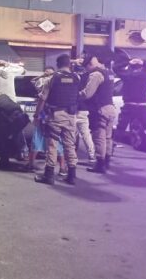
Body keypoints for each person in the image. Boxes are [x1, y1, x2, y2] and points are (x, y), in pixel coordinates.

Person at [33, 54, 79, 185]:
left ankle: (49, 176)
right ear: (69, 64)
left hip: (55, 116)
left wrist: (36, 115)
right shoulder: (76, 78)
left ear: (58, 65)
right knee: (70, 145)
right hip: (71, 116)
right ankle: (71, 176)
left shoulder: (52, 78)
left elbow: (42, 98)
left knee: (52, 145)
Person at [114, 58, 146, 158]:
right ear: (141, 67)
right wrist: (143, 61)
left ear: (130, 67)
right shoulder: (145, 76)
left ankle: (110, 150)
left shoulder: (126, 75)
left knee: (121, 128)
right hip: (142, 107)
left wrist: (127, 61)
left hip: (129, 105)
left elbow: (115, 68)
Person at [80, 54, 117, 174]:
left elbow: (87, 94)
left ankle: (100, 165)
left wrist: (76, 94)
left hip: (99, 109)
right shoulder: (109, 72)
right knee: (108, 137)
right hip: (110, 108)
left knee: (99, 137)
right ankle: (107, 162)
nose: (86, 70)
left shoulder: (96, 74)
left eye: (86, 67)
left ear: (90, 64)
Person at [73, 58, 96, 163]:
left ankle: (72, 156)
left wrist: (73, 62)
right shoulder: (88, 77)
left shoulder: (72, 77)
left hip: (73, 109)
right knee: (86, 134)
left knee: (72, 135)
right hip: (84, 108)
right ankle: (92, 155)